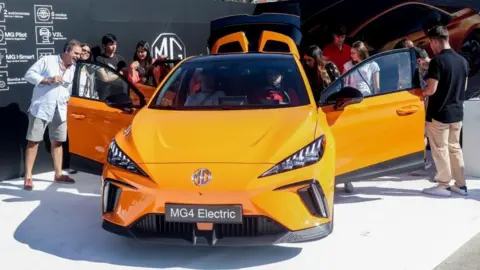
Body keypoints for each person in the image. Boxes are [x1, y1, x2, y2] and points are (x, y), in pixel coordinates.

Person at [23, 39, 82, 190]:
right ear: (67, 51)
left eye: (80, 54)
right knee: (33, 142)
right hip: (41, 108)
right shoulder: (47, 60)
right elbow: (29, 75)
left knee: (58, 142)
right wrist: (48, 80)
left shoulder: (76, 68)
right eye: (76, 53)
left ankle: (58, 174)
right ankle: (28, 176)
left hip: (61, 110)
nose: (78, 56)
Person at [421, 25, 469, 197]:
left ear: (435, 40)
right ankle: (460, 185)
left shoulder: (437, 61)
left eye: (430, 43)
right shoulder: (463, 61)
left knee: (440, 149)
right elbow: (462, 86)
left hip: (439, 114)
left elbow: (431, 89)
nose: (431, 48)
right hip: (457, 113)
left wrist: (421, 92)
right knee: (455, 148)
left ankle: (443, 184)